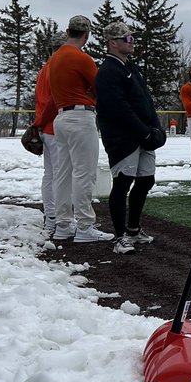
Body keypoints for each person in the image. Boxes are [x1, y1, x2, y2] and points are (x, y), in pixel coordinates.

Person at [95, 21, 166, 255]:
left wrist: (155, 128)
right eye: (127, 39)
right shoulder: (108, 71)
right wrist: (144, 132)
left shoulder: (130, 67)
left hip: (142, 134)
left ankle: (134, 230)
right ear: (112, 43)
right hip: (123, 138)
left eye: (132, 38)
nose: (132, 42)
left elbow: (144, 100)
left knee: (146, 180)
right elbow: (119, 108)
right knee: (123, 182)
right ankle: (119, 237)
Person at [42, 15, 114, 243]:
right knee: (84, 173)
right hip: (81, 117)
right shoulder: (81, 57)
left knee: (63, 174)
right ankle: (85, 226)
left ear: (68, 31)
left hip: (61, 118)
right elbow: (100, 86)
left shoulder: (54, 58)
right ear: (87, 35)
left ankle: (63, 224)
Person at [33, 32, 67, 238]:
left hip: (47, 128)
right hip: (55, 127)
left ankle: (52, 216)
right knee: (60, 175)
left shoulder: (44, 68)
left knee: (50, 174)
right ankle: (57, 218)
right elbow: (52, 101)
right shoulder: (57, 67)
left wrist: (38, 124)